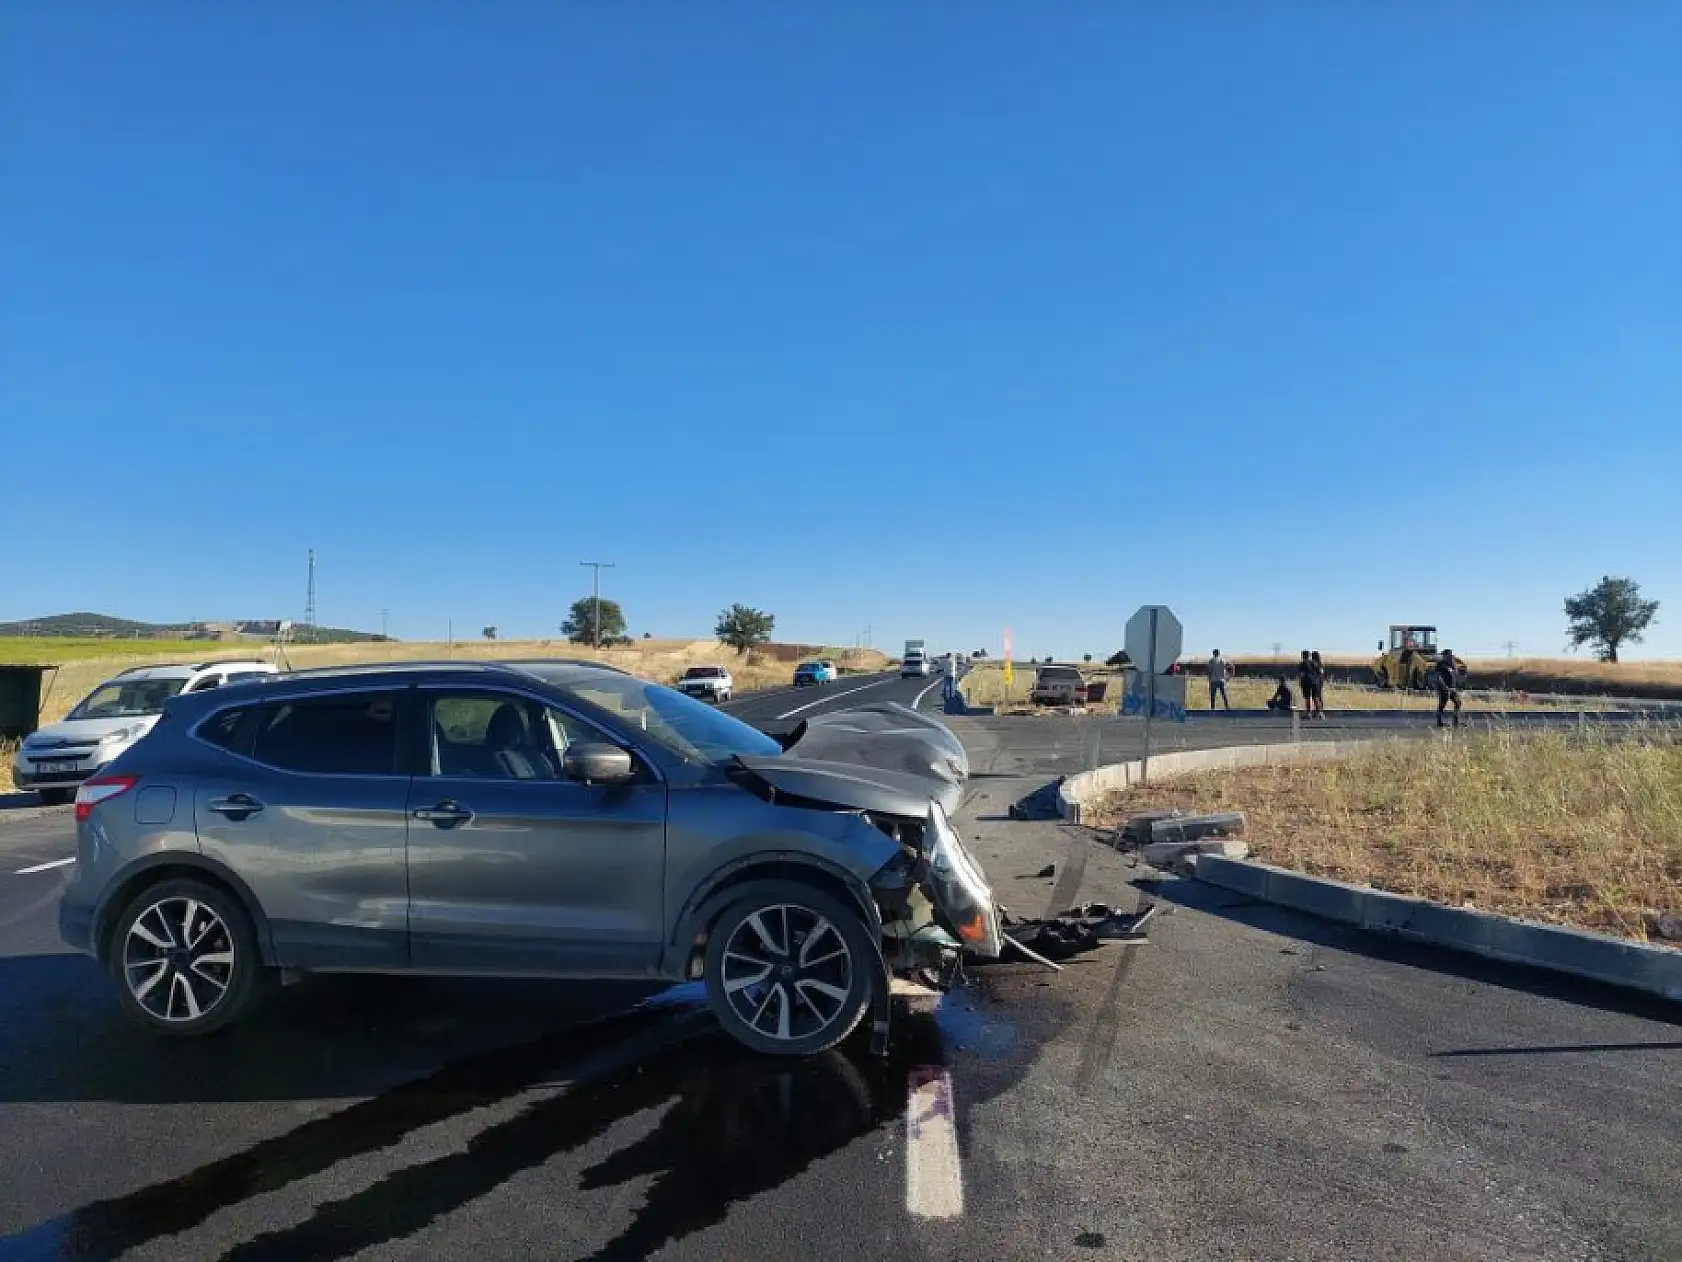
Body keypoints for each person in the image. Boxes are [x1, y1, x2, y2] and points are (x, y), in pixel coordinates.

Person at [1434, 647, 1463, 728]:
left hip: (1452, 687)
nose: (1449, 656)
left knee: (1458, 703)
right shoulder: (1440, 664)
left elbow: (1454, 675)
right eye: (1447, 655)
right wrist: (1444, 687)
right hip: (1444, 688)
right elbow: (1438, 677)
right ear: (1444, 656)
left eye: (1450, 655)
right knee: (1442, 704)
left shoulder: (1452, 664)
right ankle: (1439, 722)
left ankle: (1456, 722)